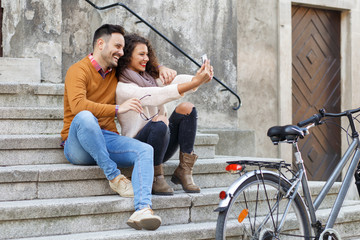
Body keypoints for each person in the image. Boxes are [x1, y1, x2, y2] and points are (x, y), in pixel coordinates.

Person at [60, 24, 175, 231]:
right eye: (118, 46)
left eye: (123, 49)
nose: (121, 52)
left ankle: (143, 209)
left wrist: (160, 68)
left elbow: (140, 63)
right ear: (101, 44)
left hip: (106, 138)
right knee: (86, 117)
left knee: (145, 150)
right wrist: (116, 109)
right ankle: (114, 176)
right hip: (78, 143)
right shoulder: (77, 70)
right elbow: (77, 106)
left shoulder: (115, 72)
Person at [115, 33, 213, 196]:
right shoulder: (123, 87)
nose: (146, 58)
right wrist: (196, 82)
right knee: (159, 121)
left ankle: (184, 171)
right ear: (127, 57)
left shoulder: (148, 78)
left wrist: (199, 78)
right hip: (139, 147)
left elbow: (173, 82)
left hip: (161, 143)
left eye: (147, 54)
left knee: (186, 108)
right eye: (141, 54)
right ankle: (155, 176)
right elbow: (156, 95)